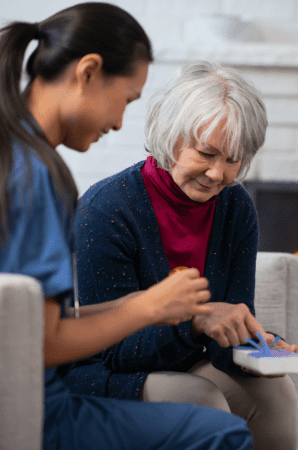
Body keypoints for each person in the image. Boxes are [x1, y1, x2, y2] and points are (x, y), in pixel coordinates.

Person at [0, 3, 255, 450]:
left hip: (38, 391)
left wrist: (150, 303)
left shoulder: (17, 153)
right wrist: (148, 309)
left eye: (232, 160)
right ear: (88, 73)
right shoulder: (37, 176)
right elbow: (39, 342)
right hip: (41, 403)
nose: (119, 122)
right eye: (127, 99)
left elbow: (34, 320)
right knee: (223, 432)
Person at [66, 61, 298, 450]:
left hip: (187, 361)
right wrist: (196, 324)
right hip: (107, 374)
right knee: (199, 402)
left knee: (277, 395)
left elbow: (228, 331)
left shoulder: (236, 206)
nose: (216, 173)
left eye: (232, 158)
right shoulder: (106, 210)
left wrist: (257, 345)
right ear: (169, 136)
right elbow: (110, 351)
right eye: (206, 152)